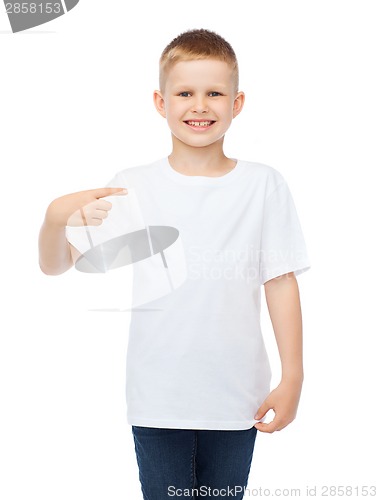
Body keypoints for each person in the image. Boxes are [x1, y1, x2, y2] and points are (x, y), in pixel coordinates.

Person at [39, 28, 311, 500]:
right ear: (161, 102)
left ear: (237, 102)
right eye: (185, 93)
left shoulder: (263, 185)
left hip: (237, 399)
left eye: (214, 93)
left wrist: (294, 376)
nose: (199, 105)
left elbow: (280, 281)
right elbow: (58, 264)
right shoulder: (133, 186)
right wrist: (53, 217)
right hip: (158, 400)